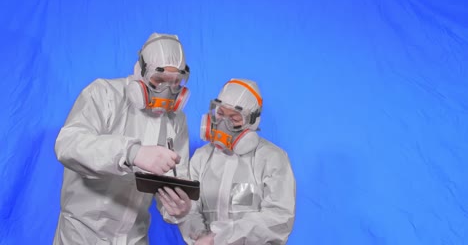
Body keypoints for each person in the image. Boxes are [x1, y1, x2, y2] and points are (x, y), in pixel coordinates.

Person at [53, 32, 193, 244]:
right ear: (141, 71)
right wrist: (131, 153)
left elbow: (175, 179)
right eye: (159, 81)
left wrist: (178, 208)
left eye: (175, 83)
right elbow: (68, 144)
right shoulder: (104, 94)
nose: (167, 92)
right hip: (82, 235)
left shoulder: (176, 120)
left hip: (134, 238)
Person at [157, 78, 296, 244]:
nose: (223, 124)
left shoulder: (272, 159)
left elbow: (279, 218)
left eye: (235, 118)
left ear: (252, 121)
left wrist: (218, 238)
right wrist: (199, 235)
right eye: (220, 113)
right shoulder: (202, 158)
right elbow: (191, 209)